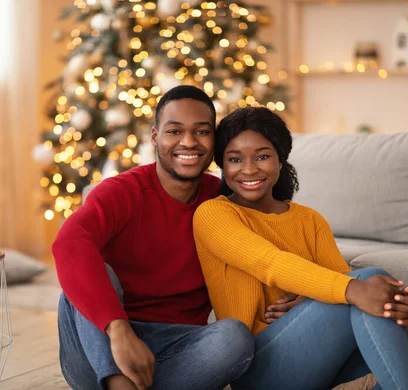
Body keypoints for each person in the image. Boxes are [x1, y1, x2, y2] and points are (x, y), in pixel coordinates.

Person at [193, 106, 408, 390]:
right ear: (222, 166)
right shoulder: (213, 214)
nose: (249, 169)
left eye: (263, 156)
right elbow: (270, 263)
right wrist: (348, 291)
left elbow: (347, 291)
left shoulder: (309, 219)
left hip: (325, 361)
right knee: (364, 281)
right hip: (260, 367)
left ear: (281, 159)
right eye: (234, 159)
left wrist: (401, 304)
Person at [54, 86, 294, 390]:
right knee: (91, 272)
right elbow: (68, 244)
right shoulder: (120, 192)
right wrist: (119, 330)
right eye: (175, 131)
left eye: (202, 131)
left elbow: (275, 251)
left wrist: (302, 294)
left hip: (179, 348)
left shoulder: (224, 200)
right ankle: (117, 382)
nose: (189, 142)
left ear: (214, 141)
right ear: (156, 137)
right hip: (100, 349)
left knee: (234, 336)